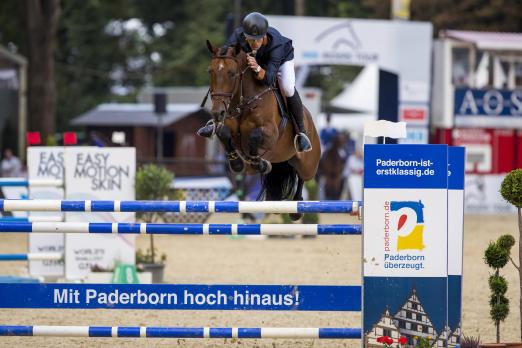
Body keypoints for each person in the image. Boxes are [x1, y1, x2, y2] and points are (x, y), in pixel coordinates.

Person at [197, 12, 312, 153]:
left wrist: (257, 67)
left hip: (280, 61)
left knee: (288, 88)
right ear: (244, 35)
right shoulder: (238, 36)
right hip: (254, 61)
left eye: (258, 40)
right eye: (250, 40)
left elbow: (269, 79)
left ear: (264, 35)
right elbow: (225, 56)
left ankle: (301, 132)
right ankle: (216, 122)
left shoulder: (277, 47)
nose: (254, 44)